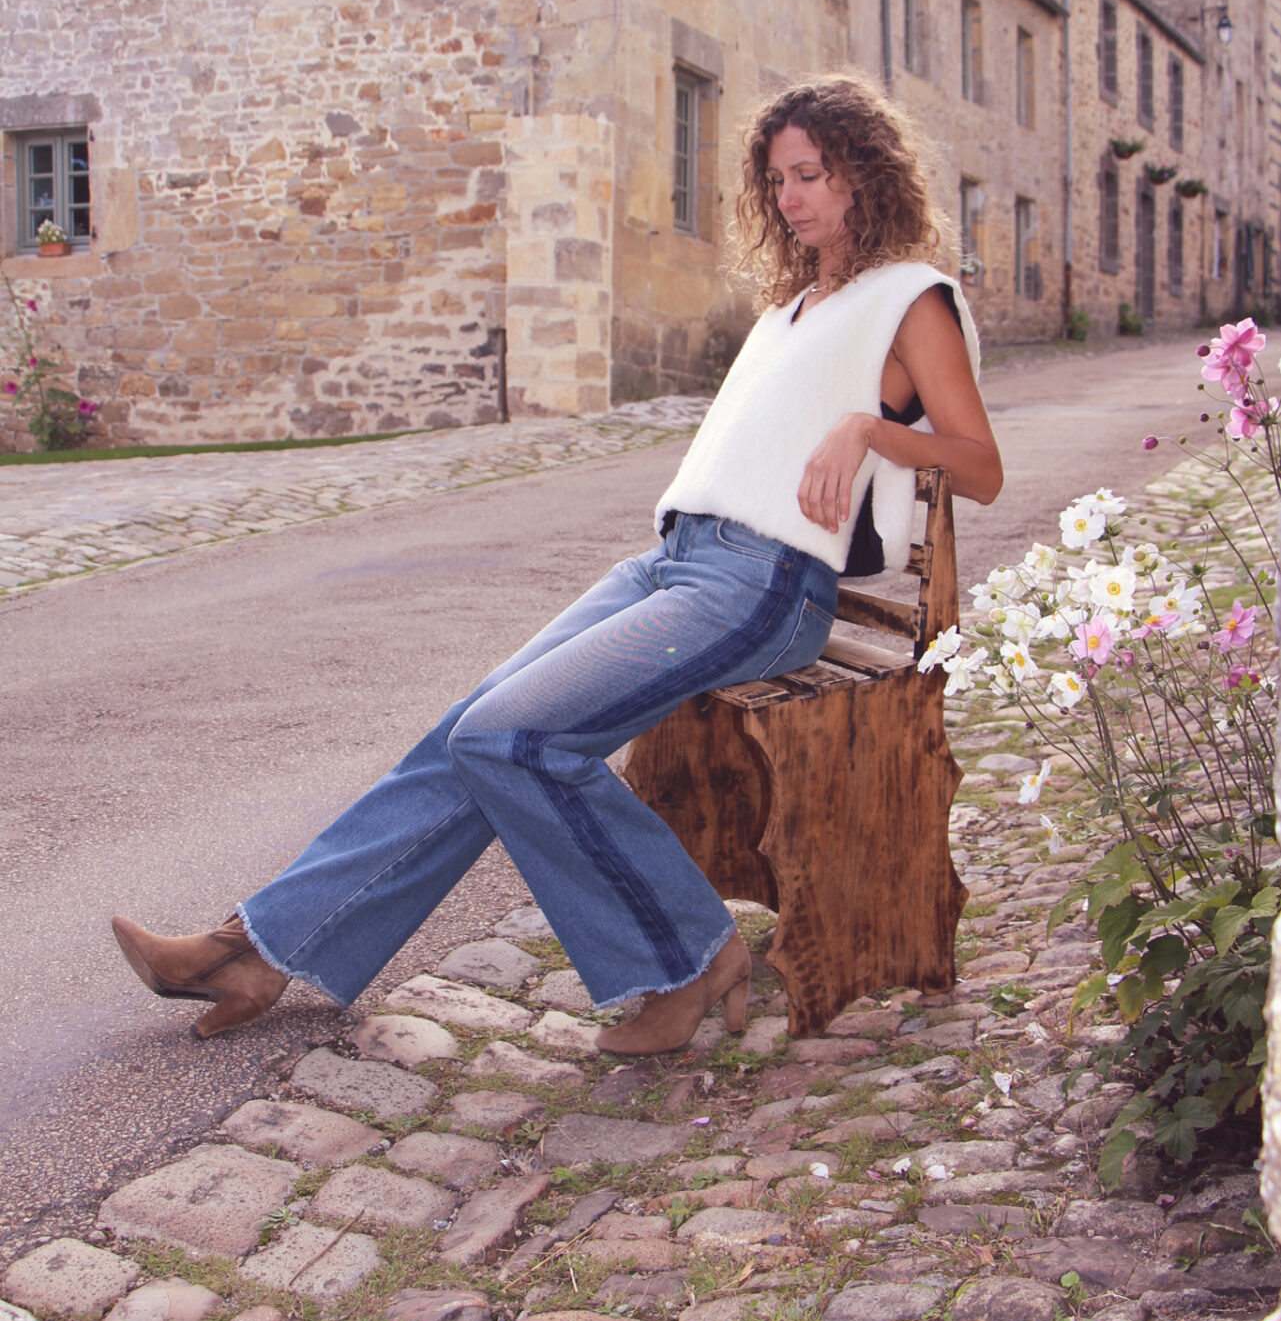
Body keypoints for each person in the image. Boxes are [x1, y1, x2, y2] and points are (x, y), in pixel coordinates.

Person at [112, 72, 1002, 1055]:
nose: (791, 197)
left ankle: (689, 955)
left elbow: (982, 466)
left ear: (864, 174)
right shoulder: (792, 307)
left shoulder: (910, 299)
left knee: (513, 737)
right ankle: (258, 948)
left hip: (766, 586)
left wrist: (870, 430)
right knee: (470, 728)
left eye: (813, 174)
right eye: (778, 178)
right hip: (675, 561)